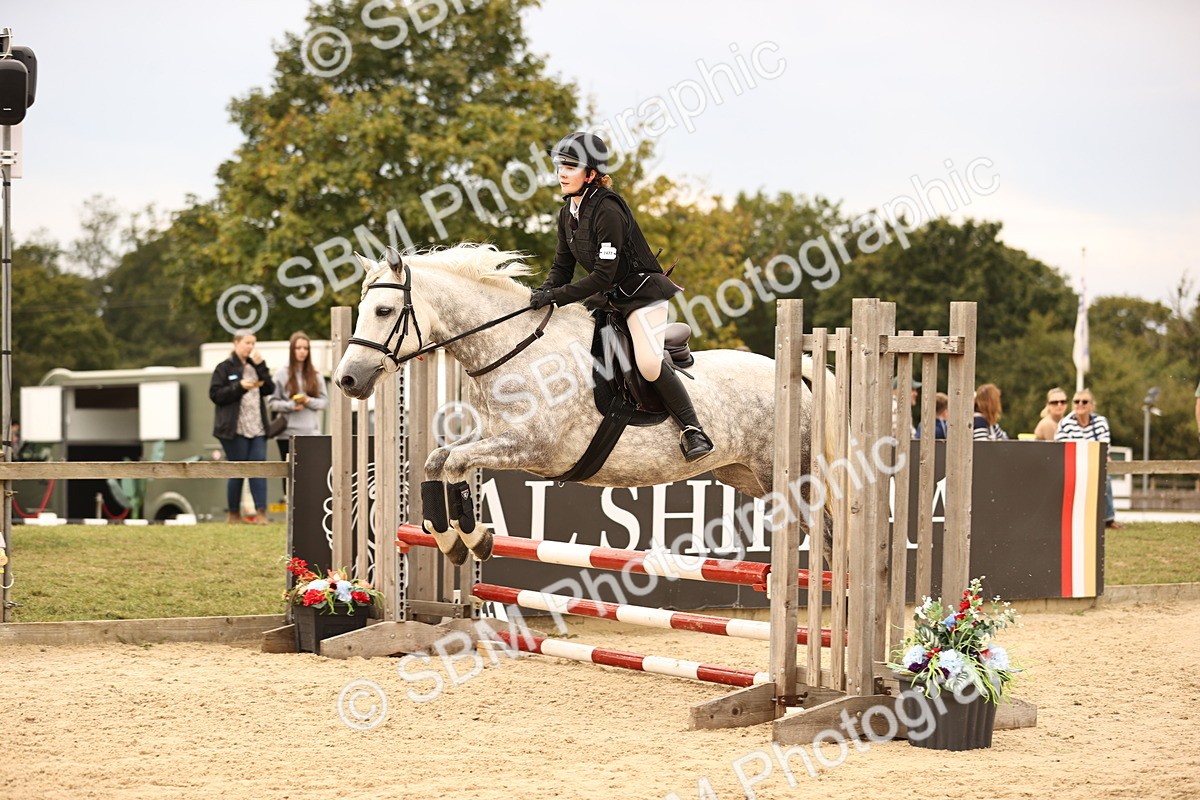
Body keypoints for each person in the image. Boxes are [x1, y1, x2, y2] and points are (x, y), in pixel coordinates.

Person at [530, 131, 713, 462]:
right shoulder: (566, 214)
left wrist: (557, 296)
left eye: (570, 166)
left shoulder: (608, 209)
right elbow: (561, 268)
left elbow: (604, 274)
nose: (561, 172)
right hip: (608, 298)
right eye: (560, 165)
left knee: (646, 360)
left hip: (641, 294)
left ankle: (693, 430)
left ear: (591, 174)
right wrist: (541, 293)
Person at [209, 329, 274, 524]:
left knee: (258, 470)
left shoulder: (256, 366)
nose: (250, 347)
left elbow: (269, 389)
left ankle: (261, 513)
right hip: (234, 429)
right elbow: (215, 395)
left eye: (253, 343)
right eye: (247, 343)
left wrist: (262, 367)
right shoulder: (224, 367)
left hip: (257, 428)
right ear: (236, 343)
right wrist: (239, 387)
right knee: (237, 471)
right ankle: (234, 514)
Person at [269, 332, 328, 494]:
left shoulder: (315, 375)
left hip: (310, 433)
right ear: (292, 350)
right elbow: (272, 403)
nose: (302, 351)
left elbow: (324, 402)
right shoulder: (281, 374)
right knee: (288, 474)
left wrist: (308, 401)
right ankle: (290, 512)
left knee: (309, 474)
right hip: (287, 434)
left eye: (305, 348)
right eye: (298, 348)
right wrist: (291, 406)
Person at [1055, 389, 1119, 528]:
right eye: (1077, 401)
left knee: (1105, 478)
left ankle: (1109, 518)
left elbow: (1104, 446)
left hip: (1094, 463)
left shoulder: (1101, 422)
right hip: (1072, 464)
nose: (1080, 404)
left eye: (1084, 401)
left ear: (1091, 405)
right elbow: (1062, 448)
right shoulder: (1065, 423)